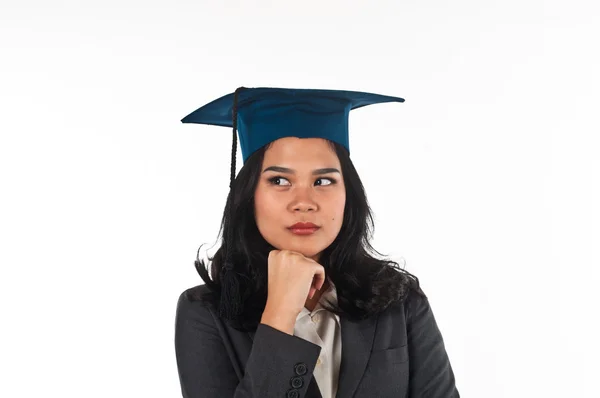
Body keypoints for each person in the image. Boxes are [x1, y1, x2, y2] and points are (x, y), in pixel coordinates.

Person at [174, 87, 459, 398]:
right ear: (248, 195)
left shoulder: (400, 300)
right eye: (279, 181)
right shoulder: (205, 311)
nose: (304, 202)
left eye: (323, 181)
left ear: (348, 195)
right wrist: (280, 312)